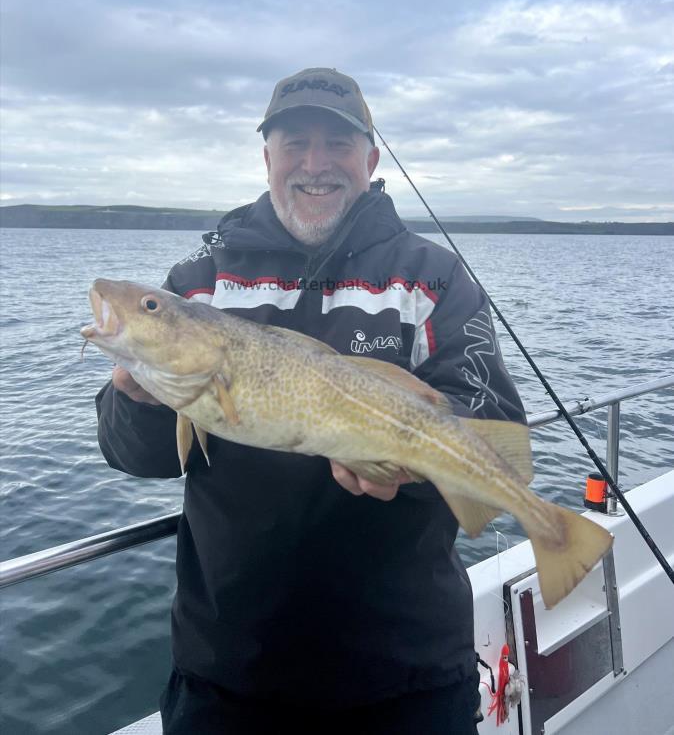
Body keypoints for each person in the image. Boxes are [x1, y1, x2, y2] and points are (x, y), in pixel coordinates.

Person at [97, 67, 526, 734]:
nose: (315, 164)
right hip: (229, 677)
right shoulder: (199, 286)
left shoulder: (431, 276)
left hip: (407, 678)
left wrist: (406, 472)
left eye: (338, 144)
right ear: (267, 157)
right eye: (294, 143)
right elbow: (140, 457)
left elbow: (493, 419)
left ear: (371, 159)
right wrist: (140, 400)